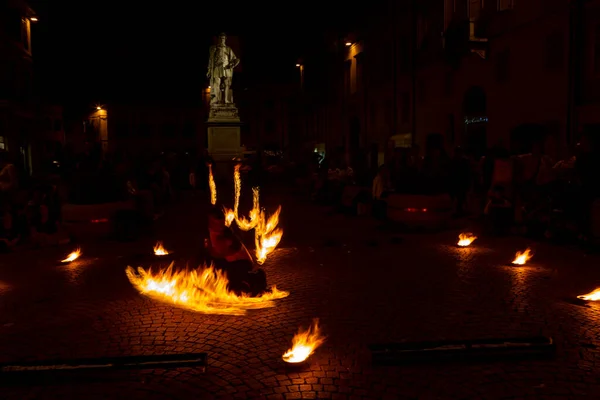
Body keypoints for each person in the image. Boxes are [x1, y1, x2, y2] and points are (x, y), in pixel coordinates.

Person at [203, 207, 267, 296]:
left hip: (240, 264)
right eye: (216, 223)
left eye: (221, 223)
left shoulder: (226, 234)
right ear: (210, 222)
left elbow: (221, 252)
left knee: (231, 285)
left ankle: (253, 279)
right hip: (228, 263)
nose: (220, 226)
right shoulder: (209, 232)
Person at [207, 33, 240, 105]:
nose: (222, 40)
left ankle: (227, 100)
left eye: (223, 38)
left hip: (226, 68)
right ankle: (216, 100)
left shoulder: (228, 49)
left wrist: (232, 65)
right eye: (221, 38)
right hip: (217, 67)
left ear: (225, 39)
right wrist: (209, 70)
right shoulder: (214, 48)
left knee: (227, 84)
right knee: (216, 83)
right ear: (218, 39)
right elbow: (210, 60)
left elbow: (235, 59)